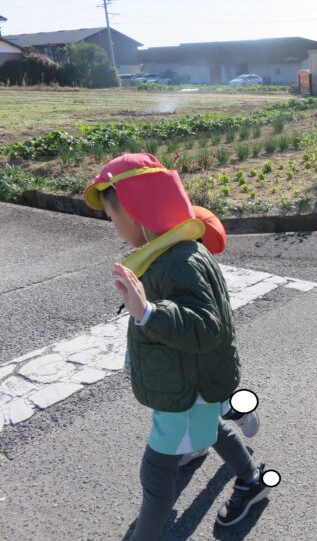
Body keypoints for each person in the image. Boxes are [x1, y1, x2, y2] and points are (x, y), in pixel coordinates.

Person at [83, 153, 269, 539]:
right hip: (190, 382)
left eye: (113, 217)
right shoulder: (176, 251)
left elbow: (206, 327)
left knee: (155, 479)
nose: (115, 228)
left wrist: (149, 313)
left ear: (136, 212)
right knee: (212, 426)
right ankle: (251, 480)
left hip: (184, 387)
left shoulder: (177, 262)